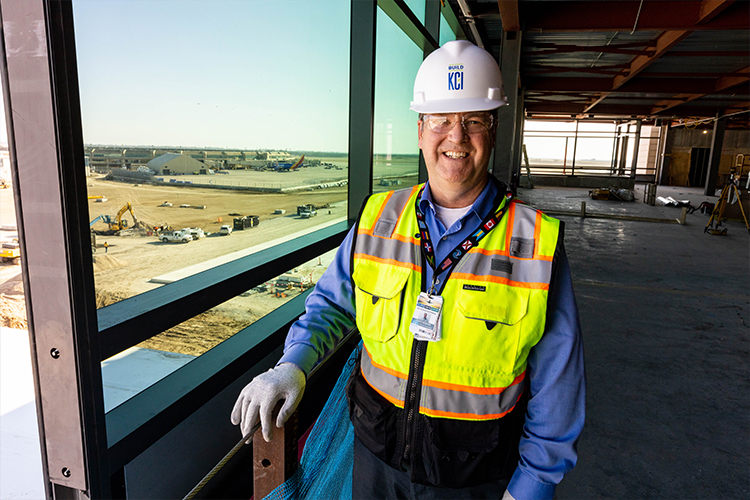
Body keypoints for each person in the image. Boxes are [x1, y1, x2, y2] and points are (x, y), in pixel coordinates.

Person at [231, 40, 585, 500]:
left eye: (473, 121)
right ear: (421, 131)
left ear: (493, 130)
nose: (455, 137)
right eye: (441, 120)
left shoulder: (535, 244)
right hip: (376, 463)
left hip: (475, 479)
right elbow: (333, 305)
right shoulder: (379, 218)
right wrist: (292, 366)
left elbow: (559, 383)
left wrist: (533, 485)